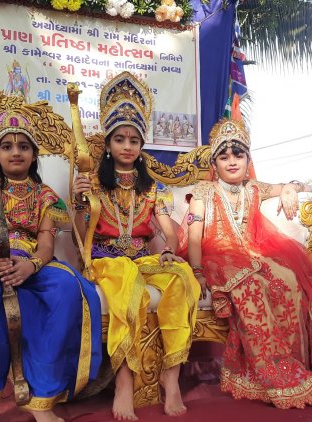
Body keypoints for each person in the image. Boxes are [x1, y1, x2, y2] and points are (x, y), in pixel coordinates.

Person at [0, 108, 102, 422]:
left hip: (34, 262)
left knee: (69, 289)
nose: (16, 152)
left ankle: (42, 402)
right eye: (7, 146)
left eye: (23, 146)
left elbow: (46, 245)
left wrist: (33, 265)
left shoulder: (46, 196)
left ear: (33, 154)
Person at [184, 118, 312, 409]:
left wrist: (290, 188)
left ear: (248, 159)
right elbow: (194, 238)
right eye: (224, 156)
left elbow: (298, 184)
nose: (232, 161)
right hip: (215, 259)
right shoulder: (203, 192)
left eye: (238, 155)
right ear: (215, 164)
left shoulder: (254, 188)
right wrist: (196, 272)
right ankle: (280, 375)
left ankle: (298, 367)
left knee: (289, 282)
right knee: (251, 287)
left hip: (251, 256)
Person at [73, 71, 200, 420]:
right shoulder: (94, 185)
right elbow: (80, 234)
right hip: (105, 262)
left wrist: (171, 249)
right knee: (128, 285)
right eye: (119, 139)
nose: (127, 146)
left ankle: (170, 377)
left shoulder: (152, 189)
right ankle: (124, 380)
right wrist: (81, 202)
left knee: (181, 277)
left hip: (142, 258)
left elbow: (167, 230)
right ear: (109, 145)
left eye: (134, 140)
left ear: (141, 146)